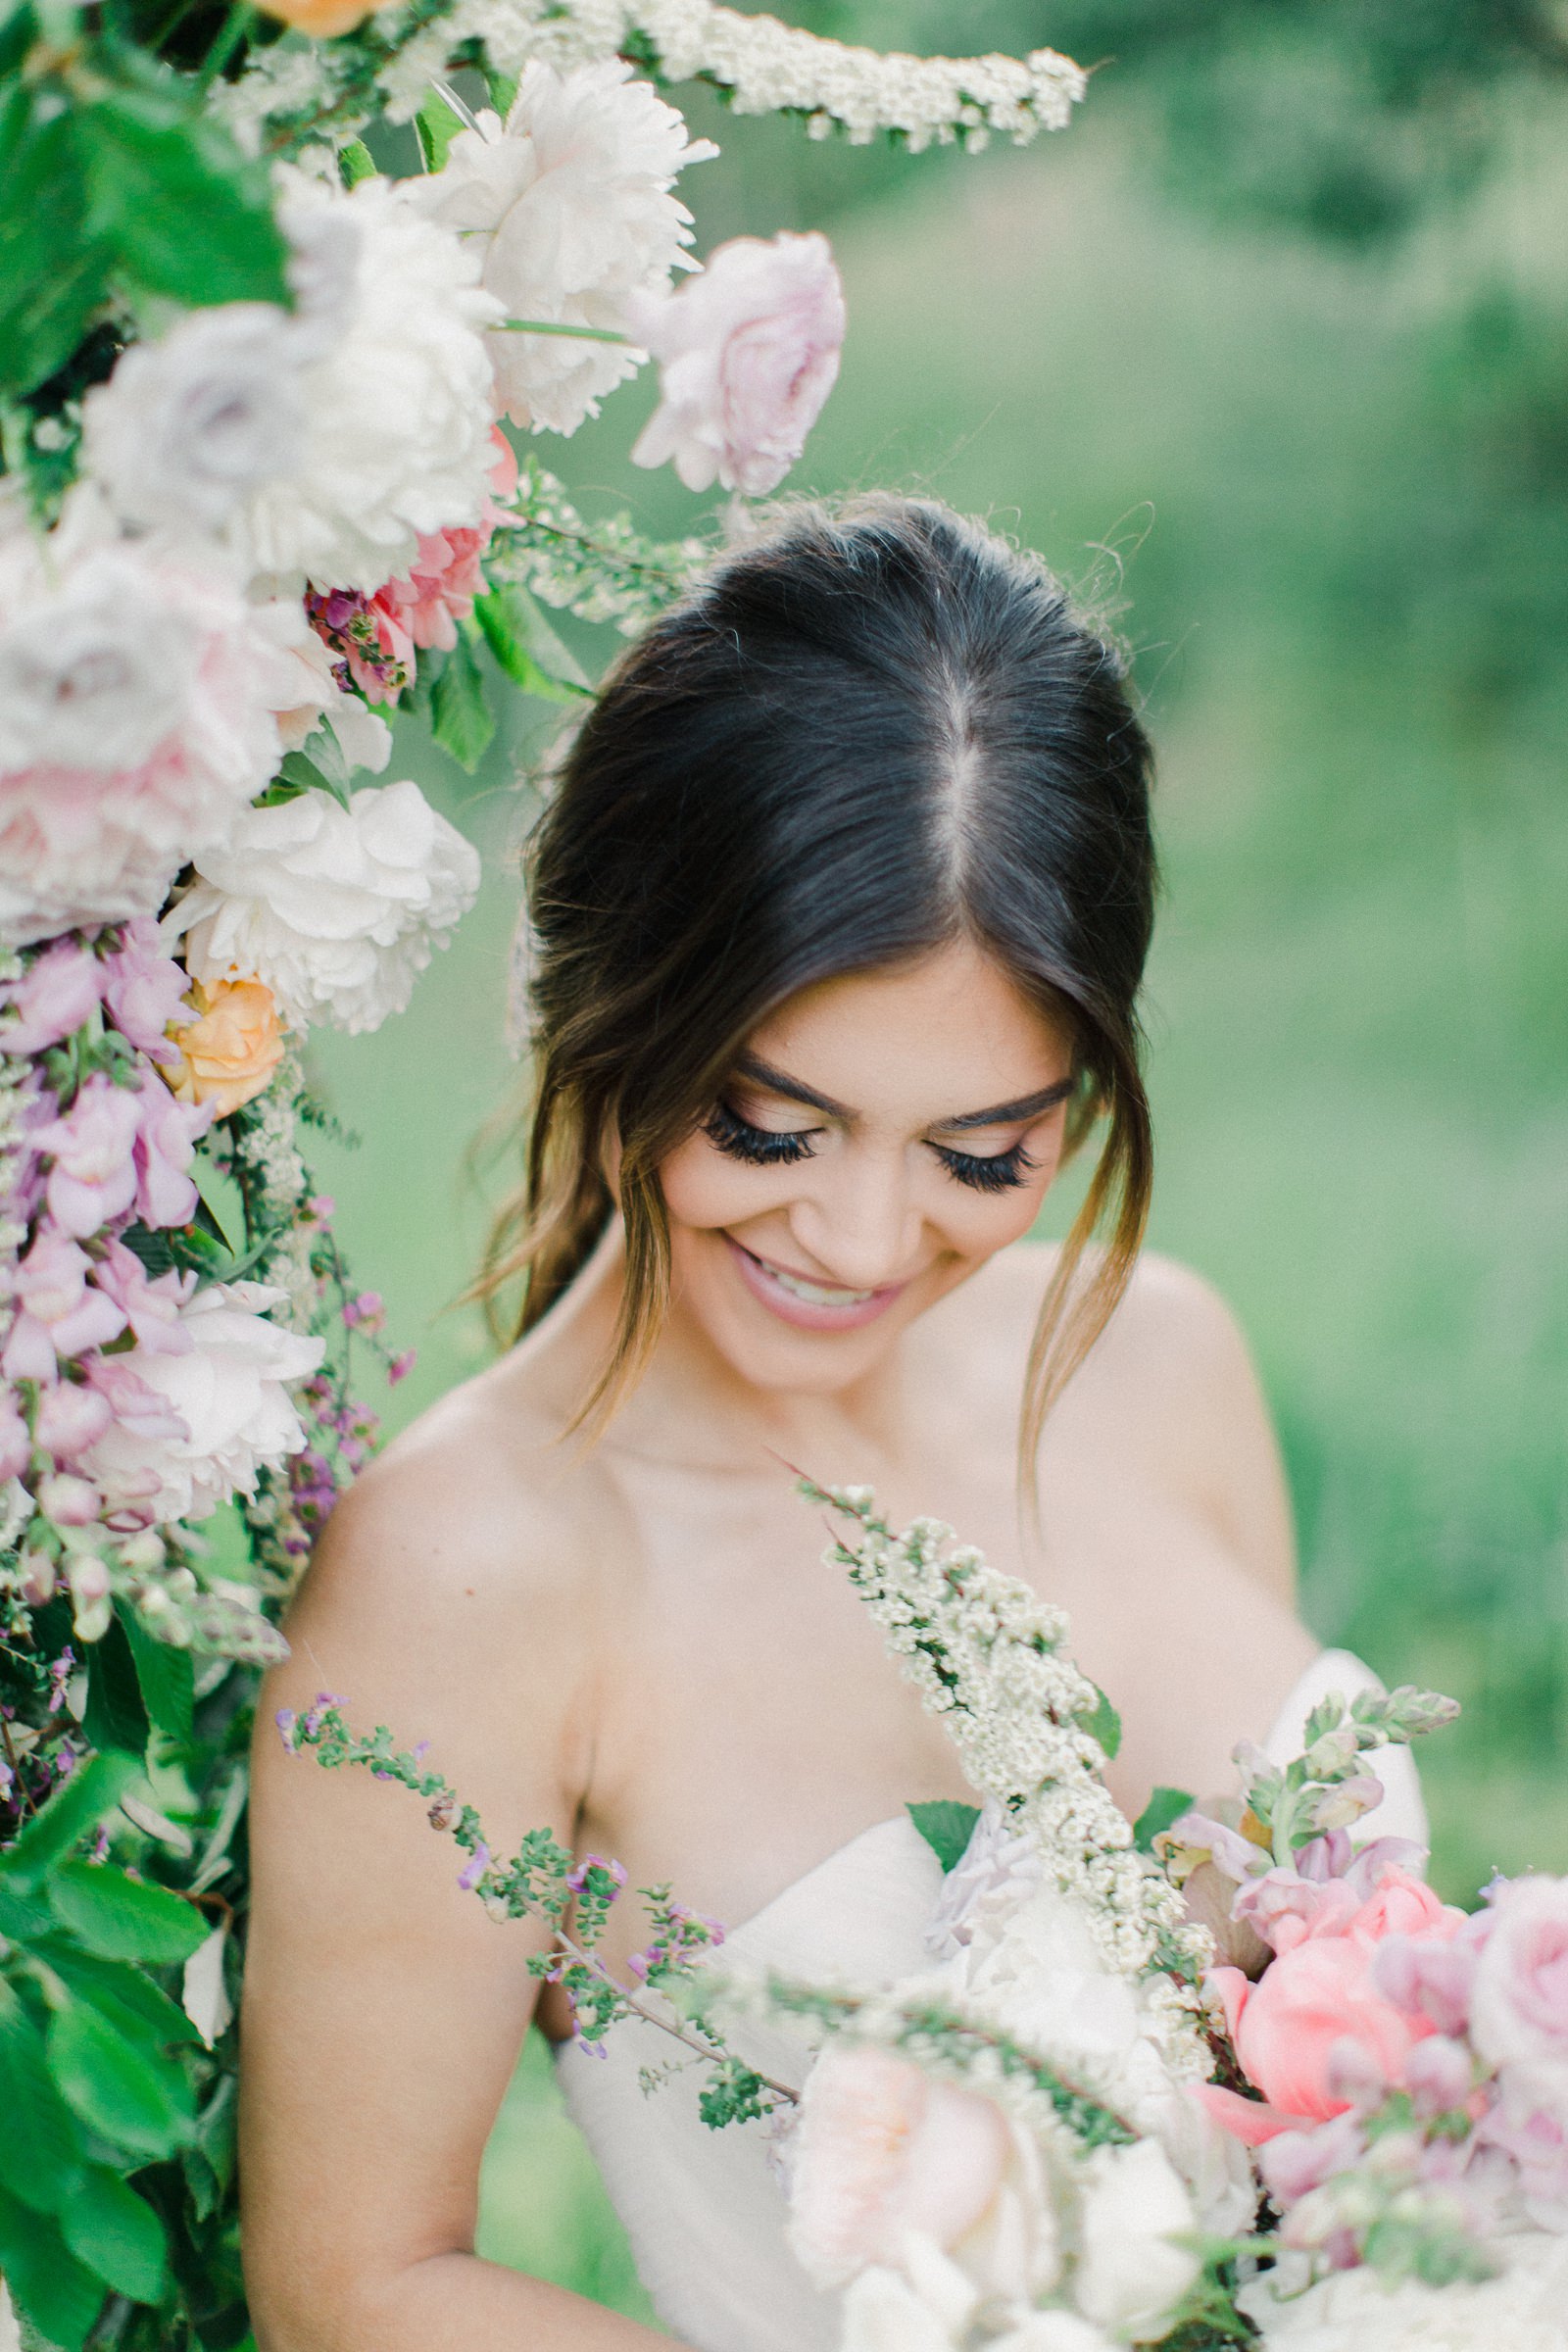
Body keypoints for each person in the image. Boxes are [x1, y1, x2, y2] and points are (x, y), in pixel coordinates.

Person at [240, 497, 1419, 2352]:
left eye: (983, 1154)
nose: (865, 1240)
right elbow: (355, 2287)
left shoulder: (1162, 1364)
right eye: (770, 1132)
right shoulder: (470, 1573)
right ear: (607, 1010)